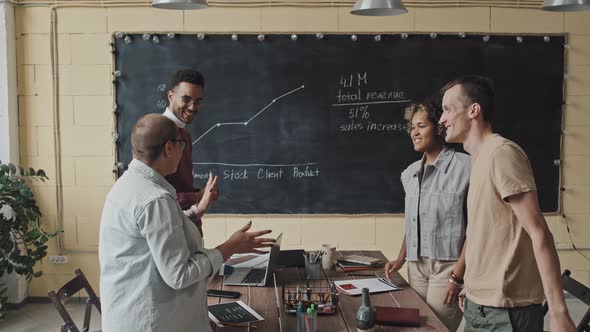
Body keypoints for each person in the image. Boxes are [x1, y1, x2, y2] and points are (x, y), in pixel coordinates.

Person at [99, 114, 275, 332]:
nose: (184, 152)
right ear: (169, 148)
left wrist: (198, 209)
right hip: (150, 321)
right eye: (181, 144)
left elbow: (160, 230)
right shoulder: (154, 199)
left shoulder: (129, 184)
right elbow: (179, 275)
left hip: (129, 313)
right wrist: (230, 247)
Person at [439, 75, 576, 331]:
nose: (442, 119)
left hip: (506, 312)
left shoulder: (501, 154)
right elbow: (483, 232)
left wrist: (558, 312)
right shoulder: (478, 159)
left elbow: (539, 233)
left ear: (473, 110)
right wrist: (471, 284)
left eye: (448, 109)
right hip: (478, 304)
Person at [384, 97, 470, 331]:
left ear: (439, 127)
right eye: (412, 127)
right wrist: (400, 258)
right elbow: (414, 223)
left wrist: (457, 277)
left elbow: (476, 229)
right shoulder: (409, 174)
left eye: (421, 126)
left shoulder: (466, 167)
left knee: (437, 328)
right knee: (417, 327)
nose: (414, 132)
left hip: (448, 267)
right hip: (416, 265)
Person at [162, 69, 217, 234]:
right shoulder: (157, 133)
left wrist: (202, 193)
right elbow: (153, 196)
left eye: (198, 101)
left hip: (188, 226)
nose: (193, 107)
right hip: (170, 230)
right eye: (186, 99)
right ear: (171, 96)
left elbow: (178, 183)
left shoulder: (184, 135)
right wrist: (197, 197)